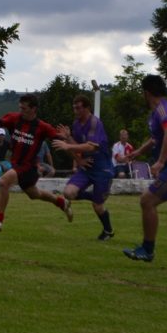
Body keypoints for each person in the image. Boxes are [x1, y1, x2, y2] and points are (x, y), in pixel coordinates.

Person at [0, 94, 72, 232]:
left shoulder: (42, 127)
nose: (21, 110)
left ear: (33, 109)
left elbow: (60, 138)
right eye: (20, 107)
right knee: (35, 194)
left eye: (24, 108)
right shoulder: (14, 118)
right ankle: (62, 202)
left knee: (3, 182)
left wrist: (67, 137)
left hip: (29, 167)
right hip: (17, 165)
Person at [122, 75, 167, 262]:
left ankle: (147, 249)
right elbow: (156, 138)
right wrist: (138, 151)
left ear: (146, 92)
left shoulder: (163, 110)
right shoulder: (158, 111)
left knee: (147, 201)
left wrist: (160, 162)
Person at [52, 94, 115, 241]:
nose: (75, 111)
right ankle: (96, 197)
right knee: (68, 192)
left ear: (87, 108)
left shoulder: (94, 123)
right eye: (74, 108)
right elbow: (78, 146)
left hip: (102, 169)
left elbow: (90, 147)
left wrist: (68, 145)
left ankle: (108, 230)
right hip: (87, 167)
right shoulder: (76, 124)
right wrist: (70, 142)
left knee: (98, 207)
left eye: (78, 108)